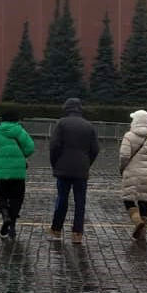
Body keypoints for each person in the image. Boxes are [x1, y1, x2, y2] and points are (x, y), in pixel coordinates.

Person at [48, 97, 99, 245]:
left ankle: (56, 230)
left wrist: (55, 163)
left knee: (62, 199)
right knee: (80, 202)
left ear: (66, 108)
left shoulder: (61, 123)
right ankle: (77, 233)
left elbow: (54, 146)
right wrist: (87, 163)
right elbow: (95, 149)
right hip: (81, 168)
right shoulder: (89, 126)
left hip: (63, 168)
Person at [0, 108, 35, 238]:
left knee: (0, 195)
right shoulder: (20, 131)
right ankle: (12, 226)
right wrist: (22, 155)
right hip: (18, 173)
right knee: (16, 198)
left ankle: (5, 214)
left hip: (1, 173)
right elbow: (30, 148)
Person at [119, 110, 147, 240]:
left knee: (128, 199)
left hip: (132, 172)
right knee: (143, 201)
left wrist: (122, 168)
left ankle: (137, 221)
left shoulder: (128, 136)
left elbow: (124, 156)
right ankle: (142, 234)